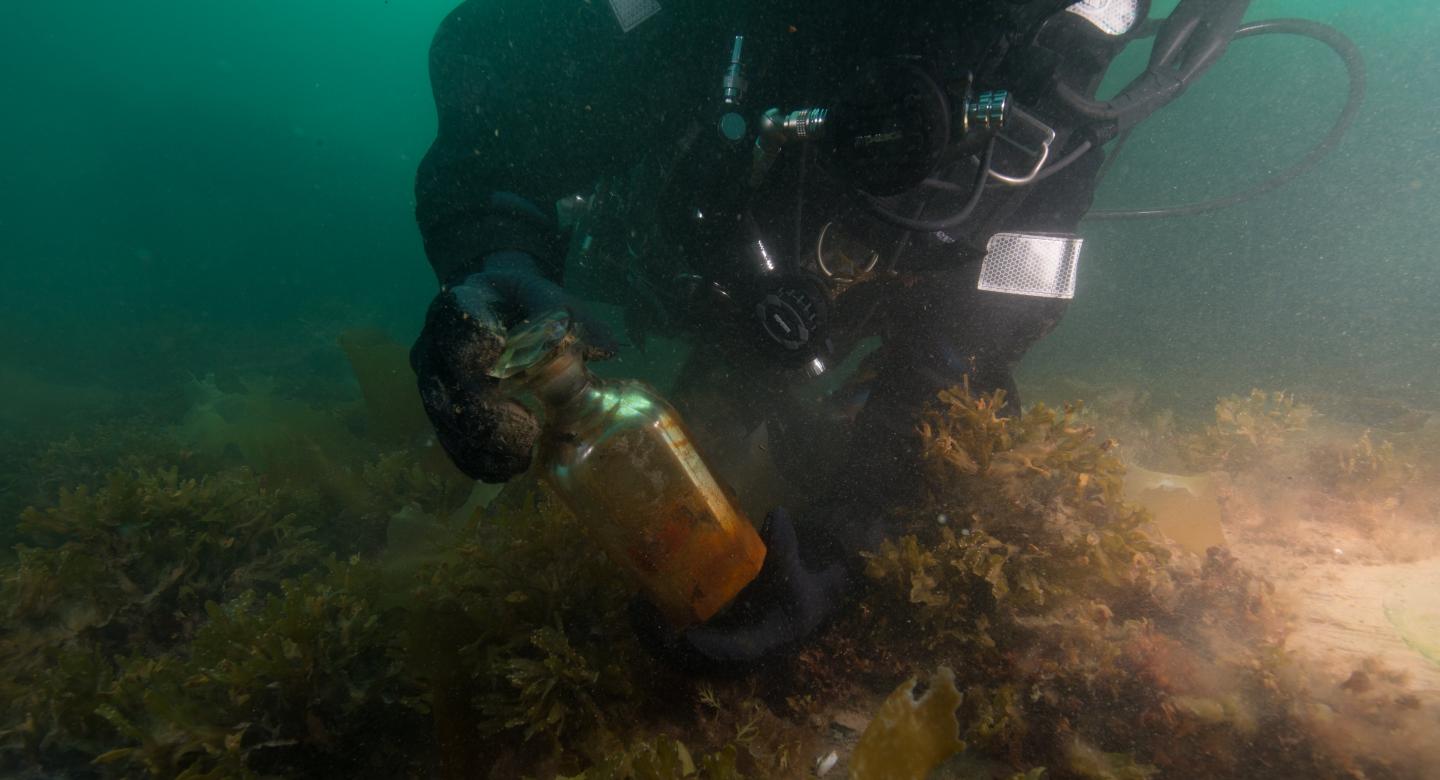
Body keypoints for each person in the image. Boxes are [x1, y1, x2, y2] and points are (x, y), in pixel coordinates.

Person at [410, 0, 1254, 665]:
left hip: (876, 275)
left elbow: (1014, 287)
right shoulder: (709, 22)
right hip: (680, 240)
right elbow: (497, 103)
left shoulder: (1069, 48)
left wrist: (861, 525)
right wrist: (493, 260)